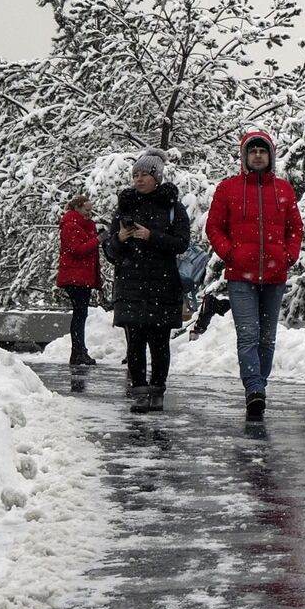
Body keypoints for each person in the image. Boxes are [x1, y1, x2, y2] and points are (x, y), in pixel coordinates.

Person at [206, 130, 303, 422]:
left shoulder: (284, 190)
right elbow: (214, 227)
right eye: (253, 151)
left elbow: (295, 228)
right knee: (248, 335)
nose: (258, 155)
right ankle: (254, 389)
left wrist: (289, 255)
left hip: (275, 275)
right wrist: (230, 253)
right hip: (241, 276)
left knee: (267, 338)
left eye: (263, 151)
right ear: (245, 156)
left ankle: (259, 386)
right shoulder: (229, 188)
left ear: (270, 156)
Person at [111, 149, 190, 413]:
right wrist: (120, 239)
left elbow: (182, 243)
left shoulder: (172, 208)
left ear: (157, 177)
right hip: (131, 284)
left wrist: (151, 236)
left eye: (145, 174)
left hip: (162, 284)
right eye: (136, 175)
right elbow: (110, 251)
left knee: (159, 342)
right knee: (134, 341)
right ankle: (139, 391)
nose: (139, 179)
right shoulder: (125, 206)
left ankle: (157, 389)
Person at [56, 194, 102, 366]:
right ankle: (78, 351)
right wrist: (97, 240)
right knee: (79, 314)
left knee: (80, 314)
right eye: (87, 209)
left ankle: (79, 350)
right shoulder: (70, 226)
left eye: (91, 210)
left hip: (81, 276)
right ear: (77, 208)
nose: (90, 213)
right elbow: (78, 249)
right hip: (75, 277)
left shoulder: (83, 225)